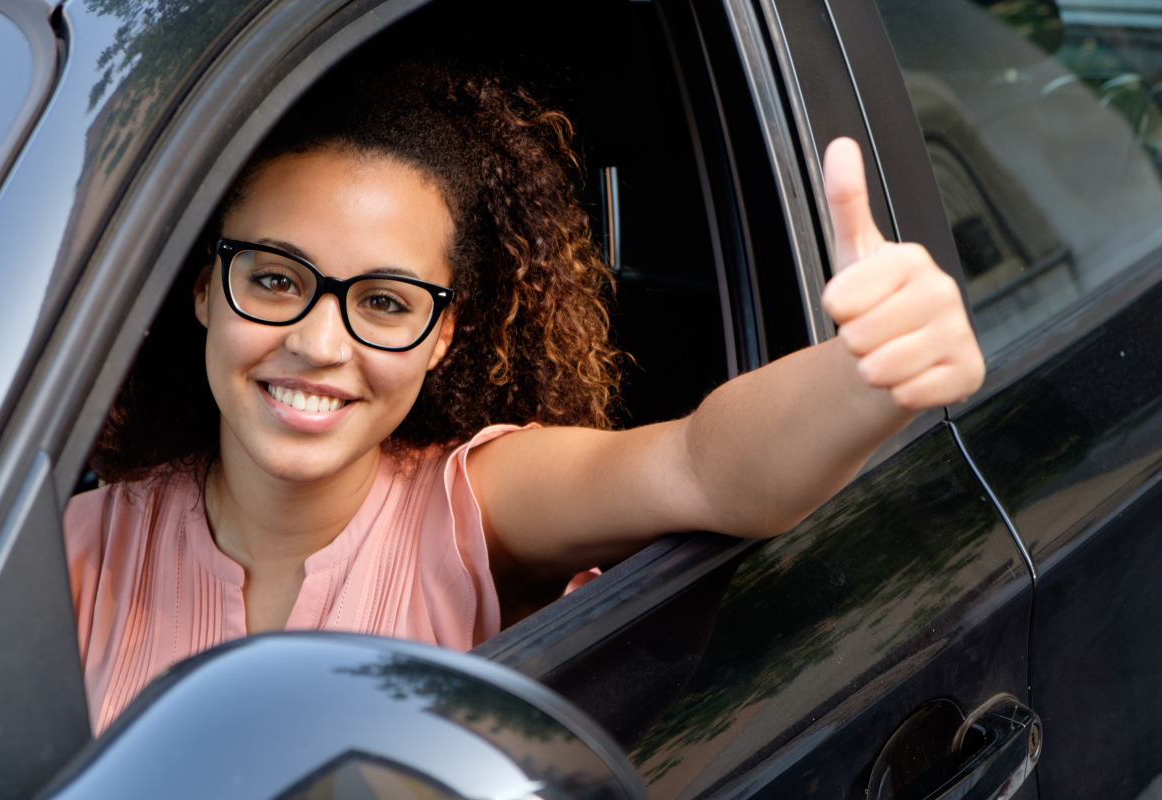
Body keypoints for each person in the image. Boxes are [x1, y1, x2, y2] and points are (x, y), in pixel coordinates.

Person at [64, 64, 984, 735]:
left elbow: (701, 466)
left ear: (442, 335)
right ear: (202, 291)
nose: (316, 342)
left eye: (383, 302)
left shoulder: (472, 502)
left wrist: (865, 374)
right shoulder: (76, 548)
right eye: (273, 280)